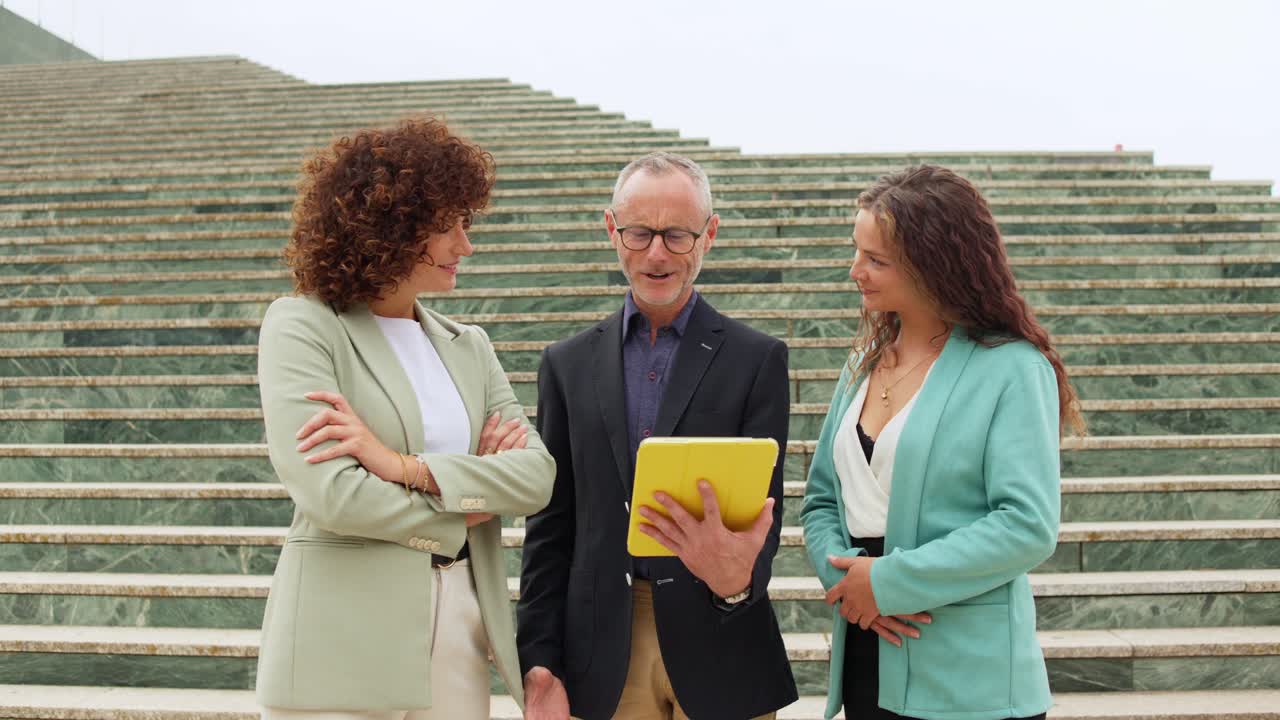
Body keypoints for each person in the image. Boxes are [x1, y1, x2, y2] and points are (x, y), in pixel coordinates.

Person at [254, 117, 556, 719]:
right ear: (392, 226)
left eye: (467, 224)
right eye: (449, 225)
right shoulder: (303, 326)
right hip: (339, 642)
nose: (465, 245)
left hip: (462, 632)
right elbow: (334, 495)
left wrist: (401, 467)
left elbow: (536, 476)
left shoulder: (469, 346)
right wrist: (467, 509)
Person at [516, 152, 799, 720]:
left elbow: (764, 512)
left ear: (709, 234)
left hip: (724, 637)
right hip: (603, 649)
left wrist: (736, 583)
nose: (656, 254)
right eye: (640, 233)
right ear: (611, 229)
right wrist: (539, 660)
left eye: (677, 235)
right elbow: (550, 525)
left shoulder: (758, 359)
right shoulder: (566, 365)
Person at [801, 164, 1087, 720]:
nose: (855, 270)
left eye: (875, 259)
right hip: (866, 648)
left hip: (970, 679)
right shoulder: (861, 365)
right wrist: (848, 582)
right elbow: (820, 501)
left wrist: (889, 583)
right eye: (857, 251)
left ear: (933, 265)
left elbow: (1027, 524)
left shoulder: (1013, 369)